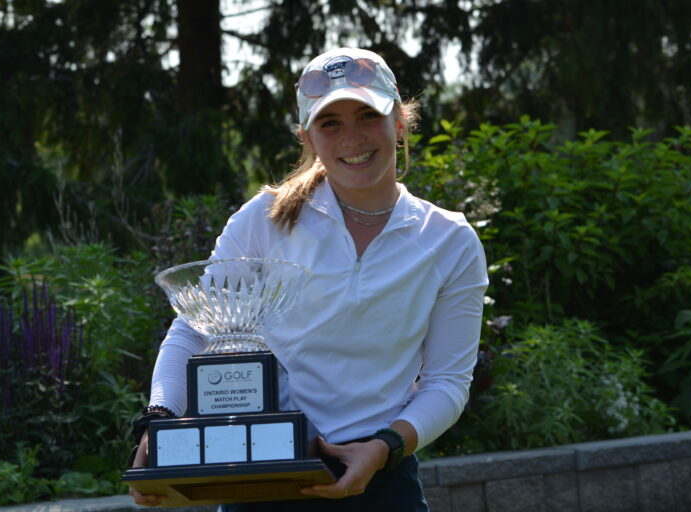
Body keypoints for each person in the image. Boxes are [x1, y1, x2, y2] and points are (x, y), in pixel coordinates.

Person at [128, 47, 488, 511]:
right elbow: (195, 328)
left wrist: (383, 448)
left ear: (399, 122)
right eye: (330, 123)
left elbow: (447, 381)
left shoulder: (450, 240)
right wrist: (158, 420)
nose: (352, 138)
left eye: (367, 115)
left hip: (381, 482)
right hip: (259, 478)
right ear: (308, 137)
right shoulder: (262, 220)